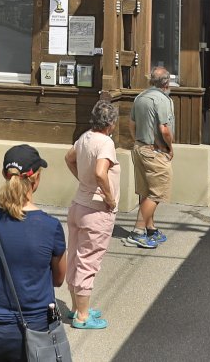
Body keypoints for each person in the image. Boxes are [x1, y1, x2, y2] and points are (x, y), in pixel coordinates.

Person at [0, 145, 67, 362]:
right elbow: (58, 279)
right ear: (36, 179)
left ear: (5, 175)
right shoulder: (51, 227)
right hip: (35, 331)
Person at [64, 99, 119, 330]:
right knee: (88, 262)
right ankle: (83, 316)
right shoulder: (105, 142)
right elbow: (100, 172)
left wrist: (82, 180)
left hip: (78, 205)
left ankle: (77, 307)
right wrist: (109, 198)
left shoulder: (85, 137)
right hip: (96, 210)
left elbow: (69, 158)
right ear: (111, 123)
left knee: (75, 257)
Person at [125, 64, 175, 248]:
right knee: (157, 192)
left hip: (139, 148)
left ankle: (150, 228)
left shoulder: (140, 97)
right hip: (155, 151)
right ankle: (138, 231)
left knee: (145, 192)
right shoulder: (162, 100)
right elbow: (164, 129)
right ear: (166, 83)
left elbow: (131, 124)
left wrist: (137, 141)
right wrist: (170, 148)